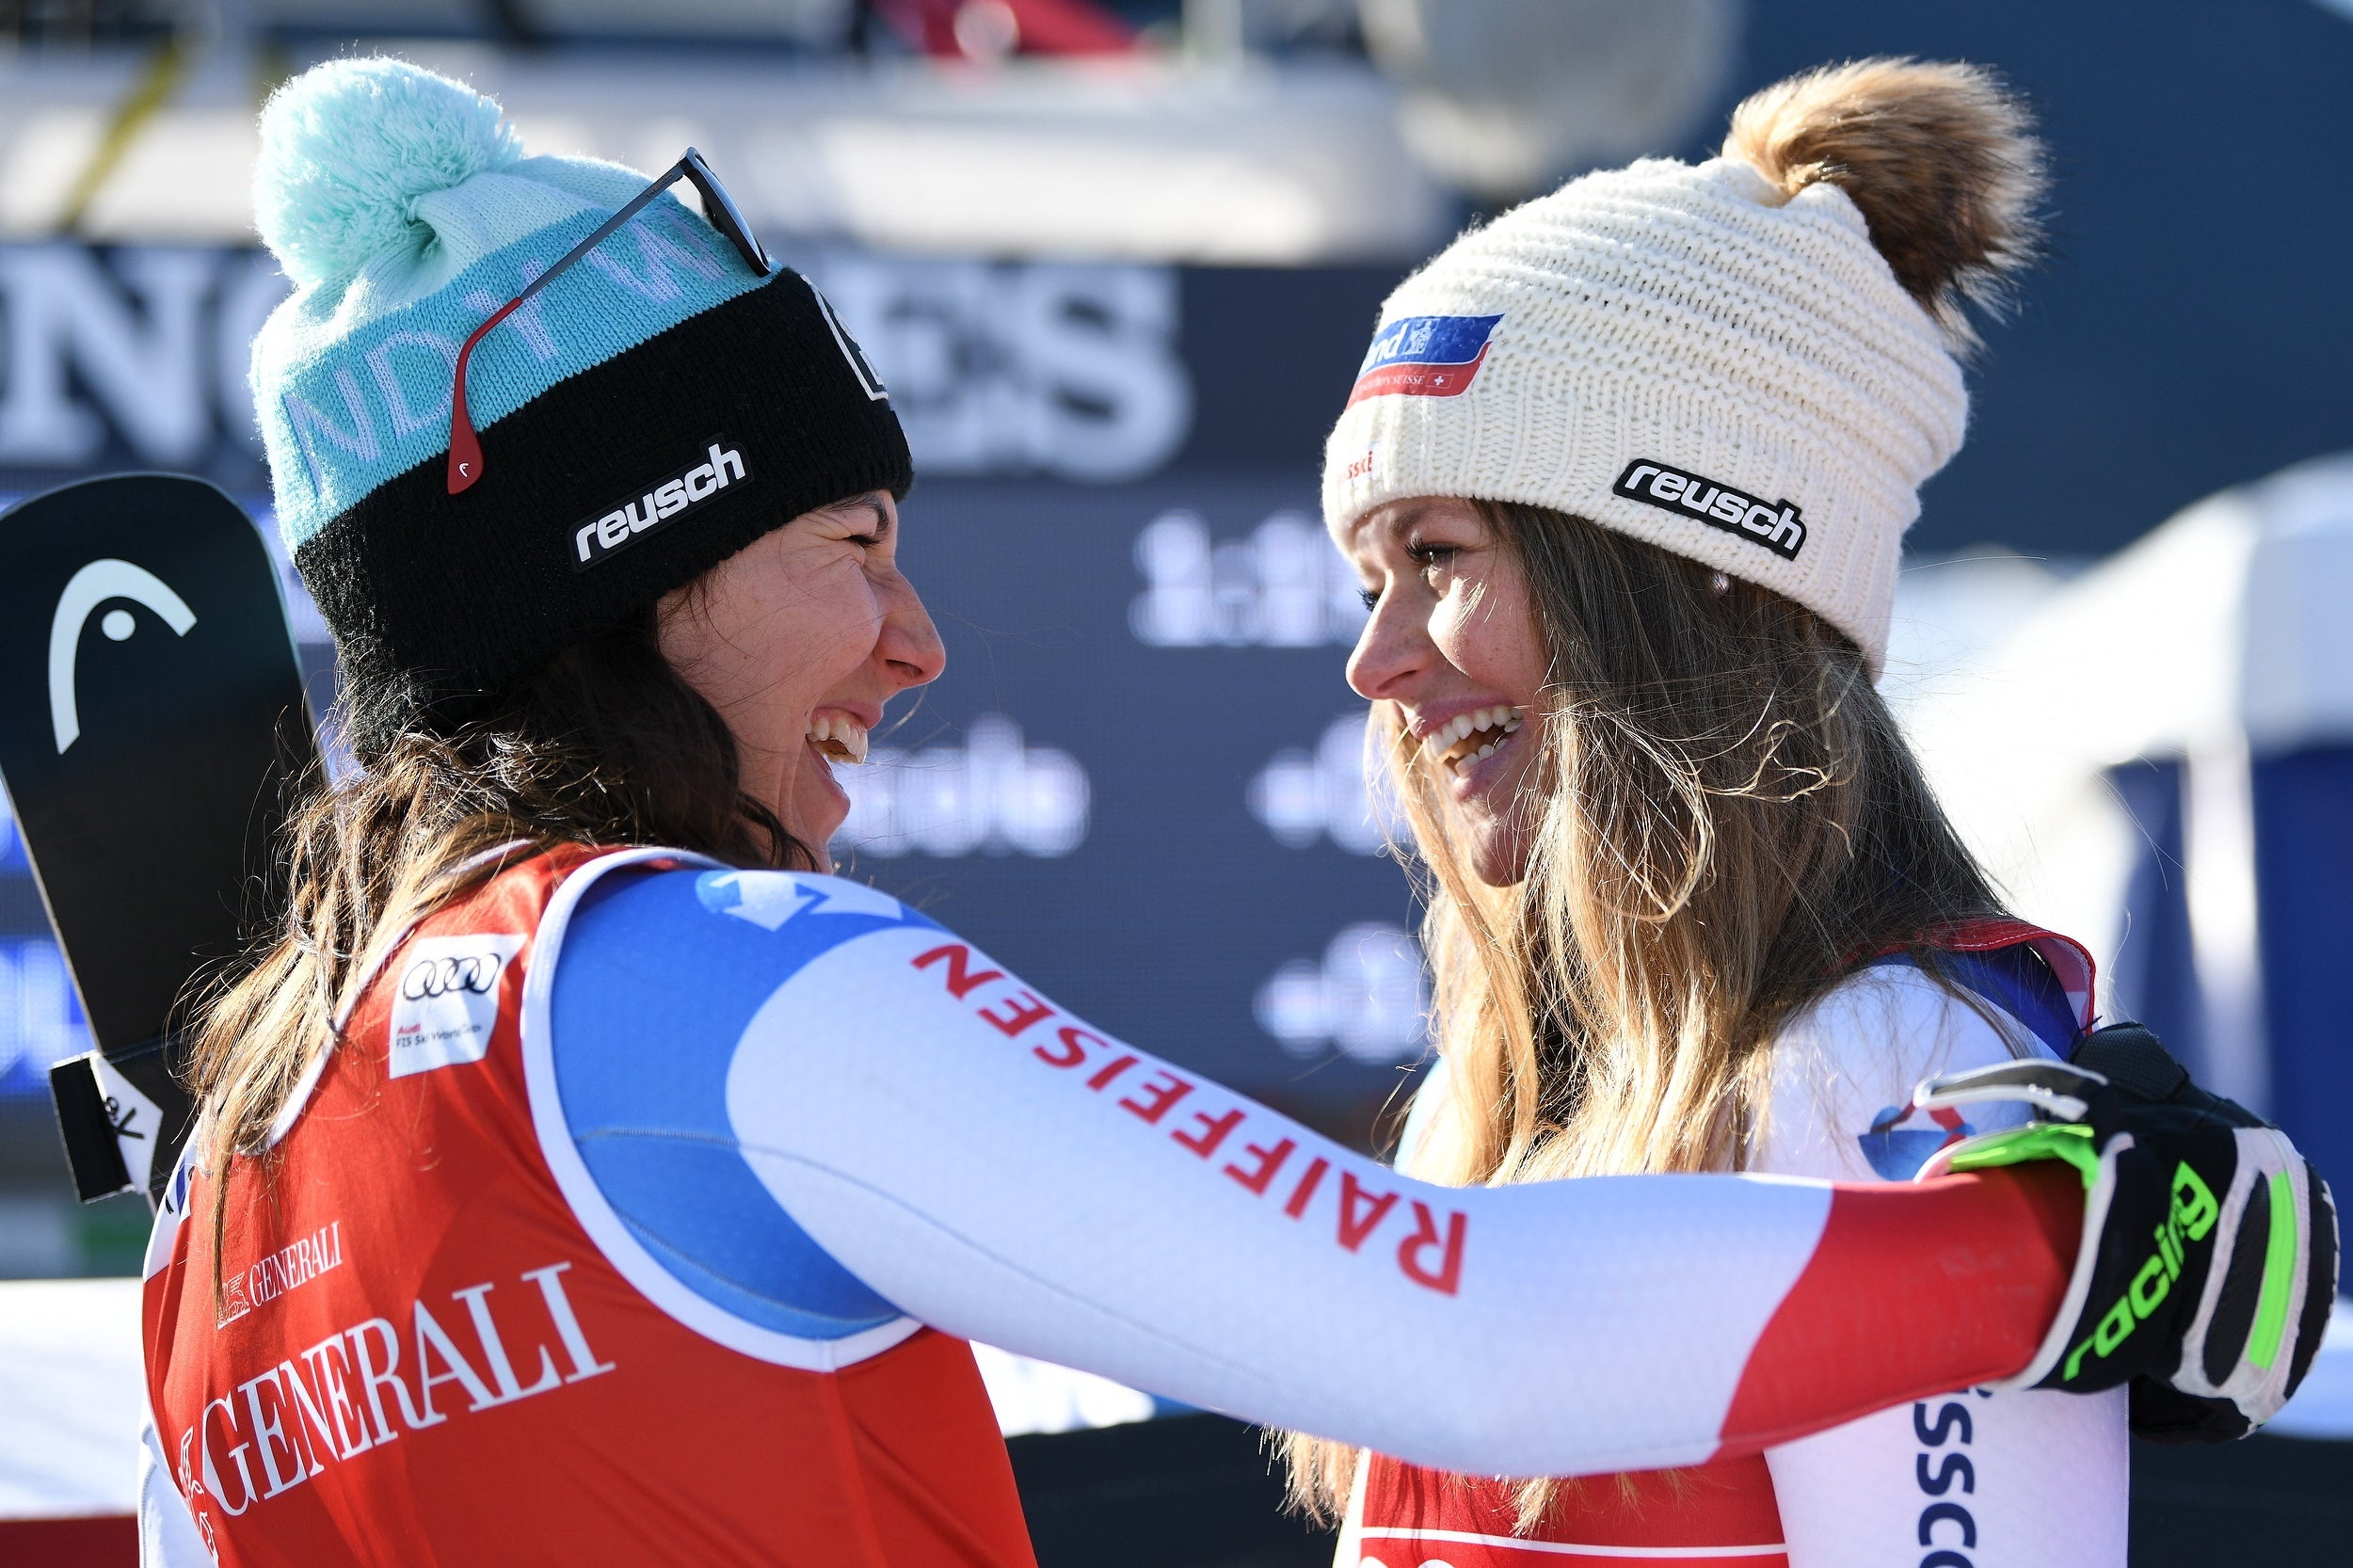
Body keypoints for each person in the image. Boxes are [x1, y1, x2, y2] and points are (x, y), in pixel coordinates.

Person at [137, 58, 2329, 1568]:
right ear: (642, 563)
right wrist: (2064, 1245)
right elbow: (1468, 1326)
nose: (915, 644)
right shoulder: (722, 991)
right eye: (850, 541)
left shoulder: (225, 1167)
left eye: (1434, 560)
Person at [1292, 58, 2336, 1568]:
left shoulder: (1886, 1061)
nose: (1374, 658)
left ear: (1670, 574)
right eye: (1371, 575)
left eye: (1441, 556)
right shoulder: (1495, 1095)